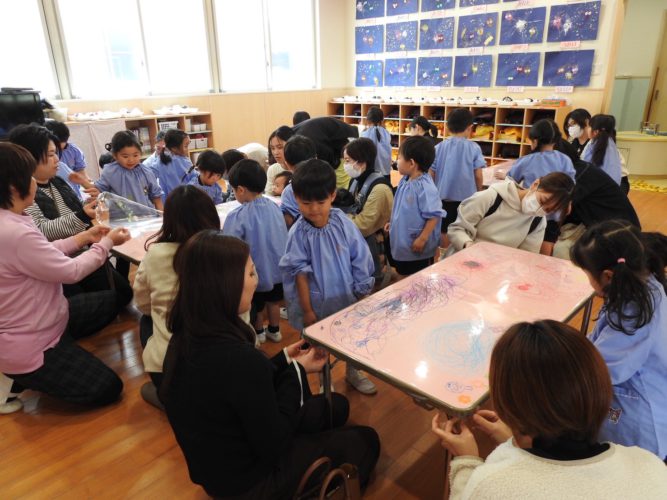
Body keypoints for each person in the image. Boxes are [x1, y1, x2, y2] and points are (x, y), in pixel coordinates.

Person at [162, 231, 380, 498]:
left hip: (221, 465)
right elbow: (275, 442)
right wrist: (297, 371)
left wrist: (285, 358)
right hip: (251, 480)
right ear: (226, 285)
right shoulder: (236, 358)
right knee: (367, 441)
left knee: (336, 406)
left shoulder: (186, 337)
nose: (257, 280)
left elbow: (244, 389)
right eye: (251, 273)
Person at [431, 320, 667, 498]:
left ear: (506, 407)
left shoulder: (490, 485)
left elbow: (471, 493)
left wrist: (466, 460)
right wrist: (511, 442)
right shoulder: (650, 465)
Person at [0, 142, 130, 413]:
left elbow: (43, 252)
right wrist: (106, 244)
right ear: (13, 187)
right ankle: (14, 378)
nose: (34, 183)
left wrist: (83, 237)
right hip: (29, 341)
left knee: (113, 299)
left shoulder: (12, 220)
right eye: (29, 177)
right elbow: (70, 272)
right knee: (108, 388)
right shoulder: (13, 231)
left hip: (48, 316)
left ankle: (61, 350)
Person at [279, 159, 378, 395]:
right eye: (306, 203)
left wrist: (363, 289)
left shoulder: (342, 222)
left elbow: (359, 255)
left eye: (321, 202)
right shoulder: (299, 234)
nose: (314, 209)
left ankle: (353, 371)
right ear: (296, 198)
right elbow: (299, 274)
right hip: (316, 303)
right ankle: (324, 379)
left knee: (352, 338)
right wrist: (307, 310)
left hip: (347, 295)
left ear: (332, 195)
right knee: (319, 345)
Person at [571, 221, 667, 459]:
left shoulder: (635, 314)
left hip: (639, 422)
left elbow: (599, 370)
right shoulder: (643, 284)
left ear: (607, 276)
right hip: (645, 392)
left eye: (587, 274)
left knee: (627, 467)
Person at [9, 124, 132, 307]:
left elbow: (76, 209)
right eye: (51, 154)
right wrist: (83, 216)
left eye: (56, 153)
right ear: (28, 157)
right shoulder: (24, 194)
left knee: (123, 294)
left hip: (82, 251)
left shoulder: (57, 181)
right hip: (59, 263)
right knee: (100, 302)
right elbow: (43, 231)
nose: (57, 160)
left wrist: (90, 204)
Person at [132, 185, 221, 407]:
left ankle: (171, 400)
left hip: (170, 367)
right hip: (226, 364)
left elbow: (143, 304)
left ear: (169, 220)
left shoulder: (156, 255)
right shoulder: (230, 251)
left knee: (146, 319)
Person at [223, 160, 288, 344]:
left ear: (240, 190)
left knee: (255, 305)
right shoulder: (275, 207)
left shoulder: (237, 215)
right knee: (273, 302)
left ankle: (258, 333)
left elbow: (229, 244)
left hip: (255, 273)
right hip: (277, 270)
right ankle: (275, 331)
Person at [447, 172, 575, 255]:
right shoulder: (491, 197)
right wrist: (468, 245)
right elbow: (457, 229)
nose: (540, 209)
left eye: (548, 210)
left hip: (495, 273)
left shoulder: (538, 221)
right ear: (535, 184)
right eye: (542, 201)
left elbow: (526, 257)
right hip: (463, 260)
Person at [386, 136, 444, 277]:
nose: (396, 161)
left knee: (417, 277)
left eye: (399, 158)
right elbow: (402, 207)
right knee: (403, 272)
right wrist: (392, 222)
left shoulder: (425, 187)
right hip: (403, 240)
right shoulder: (405, 180)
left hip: (416, 245)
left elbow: (434, 215)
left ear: (411, 163)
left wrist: (422, 238)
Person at [430, 108, 486, 248]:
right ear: (470, 128)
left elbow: (431, 174)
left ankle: (444, 254)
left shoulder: (438, 147)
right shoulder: (474, 148)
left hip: (443, 198)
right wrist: (479, 192)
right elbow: (478, 175)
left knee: (444, 229)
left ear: (447, 127)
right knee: (465, 230)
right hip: (467, 200)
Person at [343, 138, 394, 282]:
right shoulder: (355, 180)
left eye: (348, 161)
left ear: (361, 162)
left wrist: (340, 216)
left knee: (371, 284)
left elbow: (363, 226)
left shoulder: (380, 188)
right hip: (357, 242)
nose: (345, 165)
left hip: (373, 247)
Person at [95, 131, 164, 210]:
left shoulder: (146, 172)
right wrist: (88, 185)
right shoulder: (110, 172)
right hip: (120, 217)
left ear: (140, 153)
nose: (131, 160)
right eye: (125, 156)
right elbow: (98, 192)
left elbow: (157, 199)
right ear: (115, 155)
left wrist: (162, 216)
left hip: (147, 215)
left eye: (135, 155)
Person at [500, 119, 576, 187]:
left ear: (535, 141)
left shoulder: (526, 160)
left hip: (532, 198)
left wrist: (505, 176)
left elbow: (511, 180)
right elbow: (571, 183)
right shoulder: (565, 159)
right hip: (559, 198)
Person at [291, 116, 360, 189]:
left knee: (340, 186)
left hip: (345, 143)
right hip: (333, 144)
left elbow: (329, 159)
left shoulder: (310, 140)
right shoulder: (294, 136)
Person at [44, 120, 91, 198]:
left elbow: (81, 174)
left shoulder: (73, 151)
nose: (57, 158)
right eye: (51, 153)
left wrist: (88, 186)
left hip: (74, 194)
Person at [280, 135, 318, 228]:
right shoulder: (327, 181)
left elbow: (288, 222)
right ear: (316, 158)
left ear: (287, 164)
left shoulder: (289, 191)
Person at [150, 129, 195, 203]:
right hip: (184, 198)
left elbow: (149, 175)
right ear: (174, 148)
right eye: (186, 146)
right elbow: (194, 177)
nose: (187, 149)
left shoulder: (160, 160)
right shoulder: (184, 161)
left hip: (167, 201)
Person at [581, 114, 623, 186]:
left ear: (596, 131)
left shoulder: (594, 144)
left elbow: (585, 168)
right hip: (613, 187)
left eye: (589, 126)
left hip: (601, 187)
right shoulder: (610, 142)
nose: (587, 129)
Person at [361, 106, 392, 180]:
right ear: (382, 120)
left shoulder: (364, 133)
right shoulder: (386, 133)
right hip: (385, 171)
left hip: (370, 173)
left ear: (367, 119)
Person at [264, 126, 293, 195]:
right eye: (272, 148)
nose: (275, 152)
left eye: (280, 147)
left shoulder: (300, 168)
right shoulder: (272, 169)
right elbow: (269, 195)